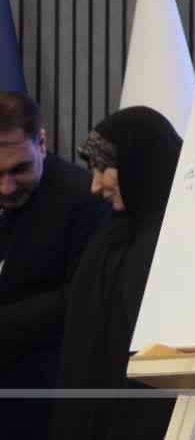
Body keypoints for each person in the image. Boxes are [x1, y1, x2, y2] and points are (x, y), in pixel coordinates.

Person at [50, 106, 195, 440]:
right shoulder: (110, 240)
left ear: (139, 163)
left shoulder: (188, 240)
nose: (95, 186)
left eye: (103, 168)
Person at [0, 92, 108, 439]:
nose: (6, 187)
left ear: (41, 144)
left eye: (20, 169)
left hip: (45, 398)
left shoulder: (84, 199)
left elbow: (80, 297)